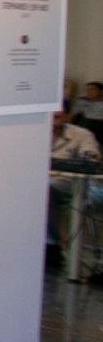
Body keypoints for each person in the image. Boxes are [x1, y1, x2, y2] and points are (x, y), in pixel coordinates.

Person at [49, 110, 103, 273]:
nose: (53, 121)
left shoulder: (82, 134)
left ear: (67, 116)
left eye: (57, 116)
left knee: (48, 189)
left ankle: (55, 245)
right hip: (40, 181)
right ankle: (50, 245)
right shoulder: (35, 132)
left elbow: (91, 158)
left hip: (70, 181)